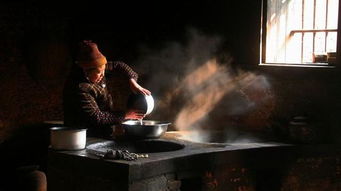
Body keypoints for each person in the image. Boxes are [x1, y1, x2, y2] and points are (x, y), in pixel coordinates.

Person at [63, 40, 151, 138]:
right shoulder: (80, 88)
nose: (103, 75)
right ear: (86, 71)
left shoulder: (99, 67)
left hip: (102, 131)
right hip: (84, 136)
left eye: (104, 70)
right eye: (99, 73)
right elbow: (97, 118)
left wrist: (133, 82)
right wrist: (126, 115)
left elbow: (119, 65)